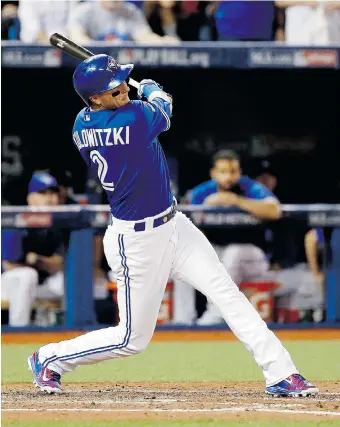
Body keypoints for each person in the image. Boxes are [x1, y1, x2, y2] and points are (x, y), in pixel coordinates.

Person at [28, 54, 317, 398]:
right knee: (131, 339)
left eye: (122, 82)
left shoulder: (81, 122)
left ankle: (281, 373)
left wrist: (133, 93)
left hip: (175, 226)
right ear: (95, 99)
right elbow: (164, 108)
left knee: (228, 294)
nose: (122, 89)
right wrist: (152, 88)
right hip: (136, 240)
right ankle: (49, 358)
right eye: (112, 88)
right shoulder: (134, 118)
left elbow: (135, 107)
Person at [173, 150, 281, 326]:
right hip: (218, 251)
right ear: (213, 173)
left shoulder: (249, 188)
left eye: (233, 172)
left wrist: (235, 201)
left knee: (233, 253)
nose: (229, 177)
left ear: (239, 172)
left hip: (252, 257)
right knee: (183, 258)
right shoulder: (203, 192)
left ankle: (215, 317)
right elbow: (183, 221)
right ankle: (182, 319)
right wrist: (204, 209)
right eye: (223, 172)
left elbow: (275, 210)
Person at [1, 173, 64, 326]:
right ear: (30, 198)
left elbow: (60, 263)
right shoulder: (17, 219)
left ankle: (65, 332)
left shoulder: (59, 224)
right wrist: (38, 264)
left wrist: (38, 260)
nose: (49, 198)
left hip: (38, 284)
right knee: (27, 276)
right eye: (42, 193)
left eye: (52, 193)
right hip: (6, 283)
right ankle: (18, 331)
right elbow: (8, 265)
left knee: (65, 279)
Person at [68, 0, 179, 44]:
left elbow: (145, 36)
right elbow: (77, 38)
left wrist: (162, 41)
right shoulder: (83, 10)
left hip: (124, 66)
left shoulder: (131, 11)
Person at [275, 0, 340, 44]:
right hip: (298, 27)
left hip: (328, 23)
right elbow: (279, 1)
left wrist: (323, 3)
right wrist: (307, 1)